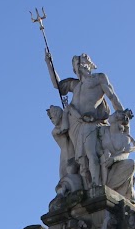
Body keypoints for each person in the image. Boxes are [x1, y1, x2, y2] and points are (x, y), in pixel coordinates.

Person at [46, 53, 129, 189]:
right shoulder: (76, 85)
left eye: (81, 63)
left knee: (90, 155)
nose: (79, 67)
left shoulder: (99, 78)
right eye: (76, 65)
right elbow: (58, 86)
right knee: (79, 160)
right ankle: (86, 186)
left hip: (91, 124)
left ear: (89, 64)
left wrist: (121, 113)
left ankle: (95, 184)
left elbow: (112, 96)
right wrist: (49, 64)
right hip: (75, 126)